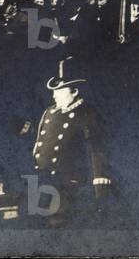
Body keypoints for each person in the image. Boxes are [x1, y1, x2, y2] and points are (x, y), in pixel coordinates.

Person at [32, 57, 112, 227]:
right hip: (43, 179)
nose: (54, 95)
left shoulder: (87, 114)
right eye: (54, 91)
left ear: (75, 91)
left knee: (59, 226)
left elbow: (96, 150)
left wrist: (99, 182)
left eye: (60, 90)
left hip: (69, 183)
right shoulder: (50, 111)